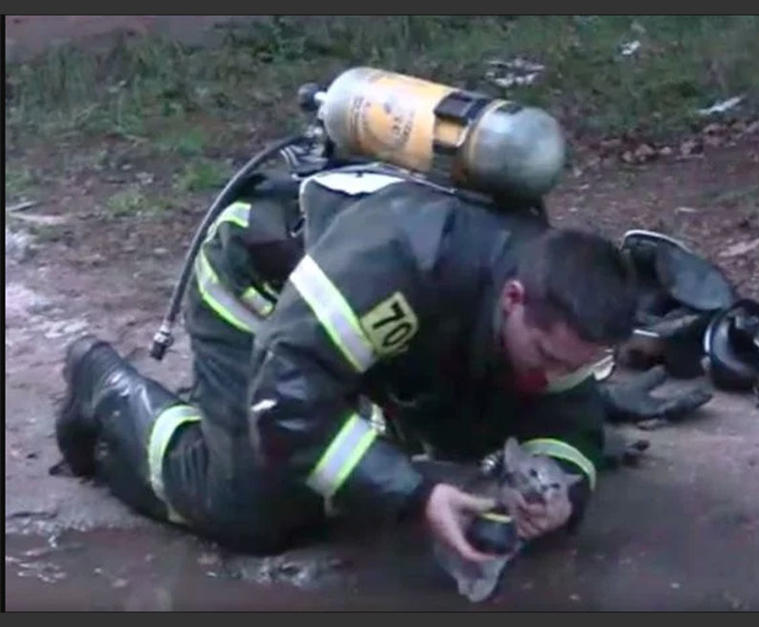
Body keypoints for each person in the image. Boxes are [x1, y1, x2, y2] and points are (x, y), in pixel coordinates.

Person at [54, 164, 650, 560]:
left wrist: (561, 494)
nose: (552, 376)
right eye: (545, 357)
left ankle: (224, 416)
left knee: (454, 435)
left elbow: (568, 421)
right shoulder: (401, 266)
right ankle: (105, 388)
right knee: (254, 511)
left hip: (369, 327)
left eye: (574, 365)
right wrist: (414, 496)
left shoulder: (559, 311)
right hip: (260, 296)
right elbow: (285, 396)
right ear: (514, 299)